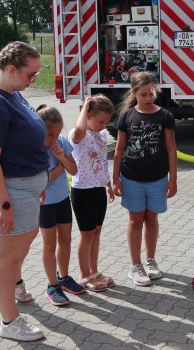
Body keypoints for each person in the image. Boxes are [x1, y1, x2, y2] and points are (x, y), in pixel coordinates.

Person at [0, 41, 48, 341]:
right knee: (5, 261)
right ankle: (9, 323)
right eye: (31, 75)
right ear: (11, 69)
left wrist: (36, 183)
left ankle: (14, 290)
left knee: (14, 257)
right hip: (7, 193)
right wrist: (4, 205)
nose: (33, 81)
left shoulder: (12, 93)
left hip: (23, 189)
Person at [113, 72, 177, 287]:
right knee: (135, 220)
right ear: (134, 93)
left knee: (152, 219)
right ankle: (135, 265)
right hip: (131, 178)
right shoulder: (126, 116)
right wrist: (115, 179)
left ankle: (150, 261)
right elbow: (119, 149)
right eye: (143, 94)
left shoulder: (165, 116)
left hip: (158, 179)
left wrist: (173, 179)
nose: (149, 98)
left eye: (151, 94)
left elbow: (171, 148)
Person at [35, 104, 85, 306]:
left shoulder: (62, 143)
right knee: (49, 244)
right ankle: (52, 285)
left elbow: (73, 170)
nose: (54, 139)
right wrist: (58, 165)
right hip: (45, 204)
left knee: (66, 239)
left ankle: (63, 277)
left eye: (57, 134)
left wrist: (63, 157)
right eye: (50, 135)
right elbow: (42, 182)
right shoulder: (34, 149)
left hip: (63, 199)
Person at [71, 95, 116, 292]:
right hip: (83, 192)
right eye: (100, 121)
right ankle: (84, 275)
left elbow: (102, 163)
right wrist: (85, 107)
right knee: (87, 235)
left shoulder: (100, 136)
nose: (104, 126)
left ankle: (94, 271)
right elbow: (79, 130)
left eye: (107, 122)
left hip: (98, 189)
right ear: (87, 115)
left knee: (97, 233)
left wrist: (108, 184)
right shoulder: (79, 135)